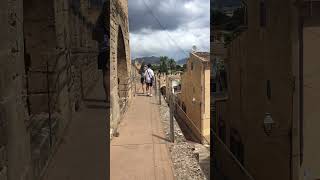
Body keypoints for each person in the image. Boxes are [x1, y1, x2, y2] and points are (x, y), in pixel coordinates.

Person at [93, 2, 109, 103]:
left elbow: (94, 35)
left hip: (102, 49)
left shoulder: (99, 22)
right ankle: (110, 98)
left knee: (105, 74)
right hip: (108, 49)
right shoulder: (107, 20)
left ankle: (108, 97)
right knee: (108, 74)